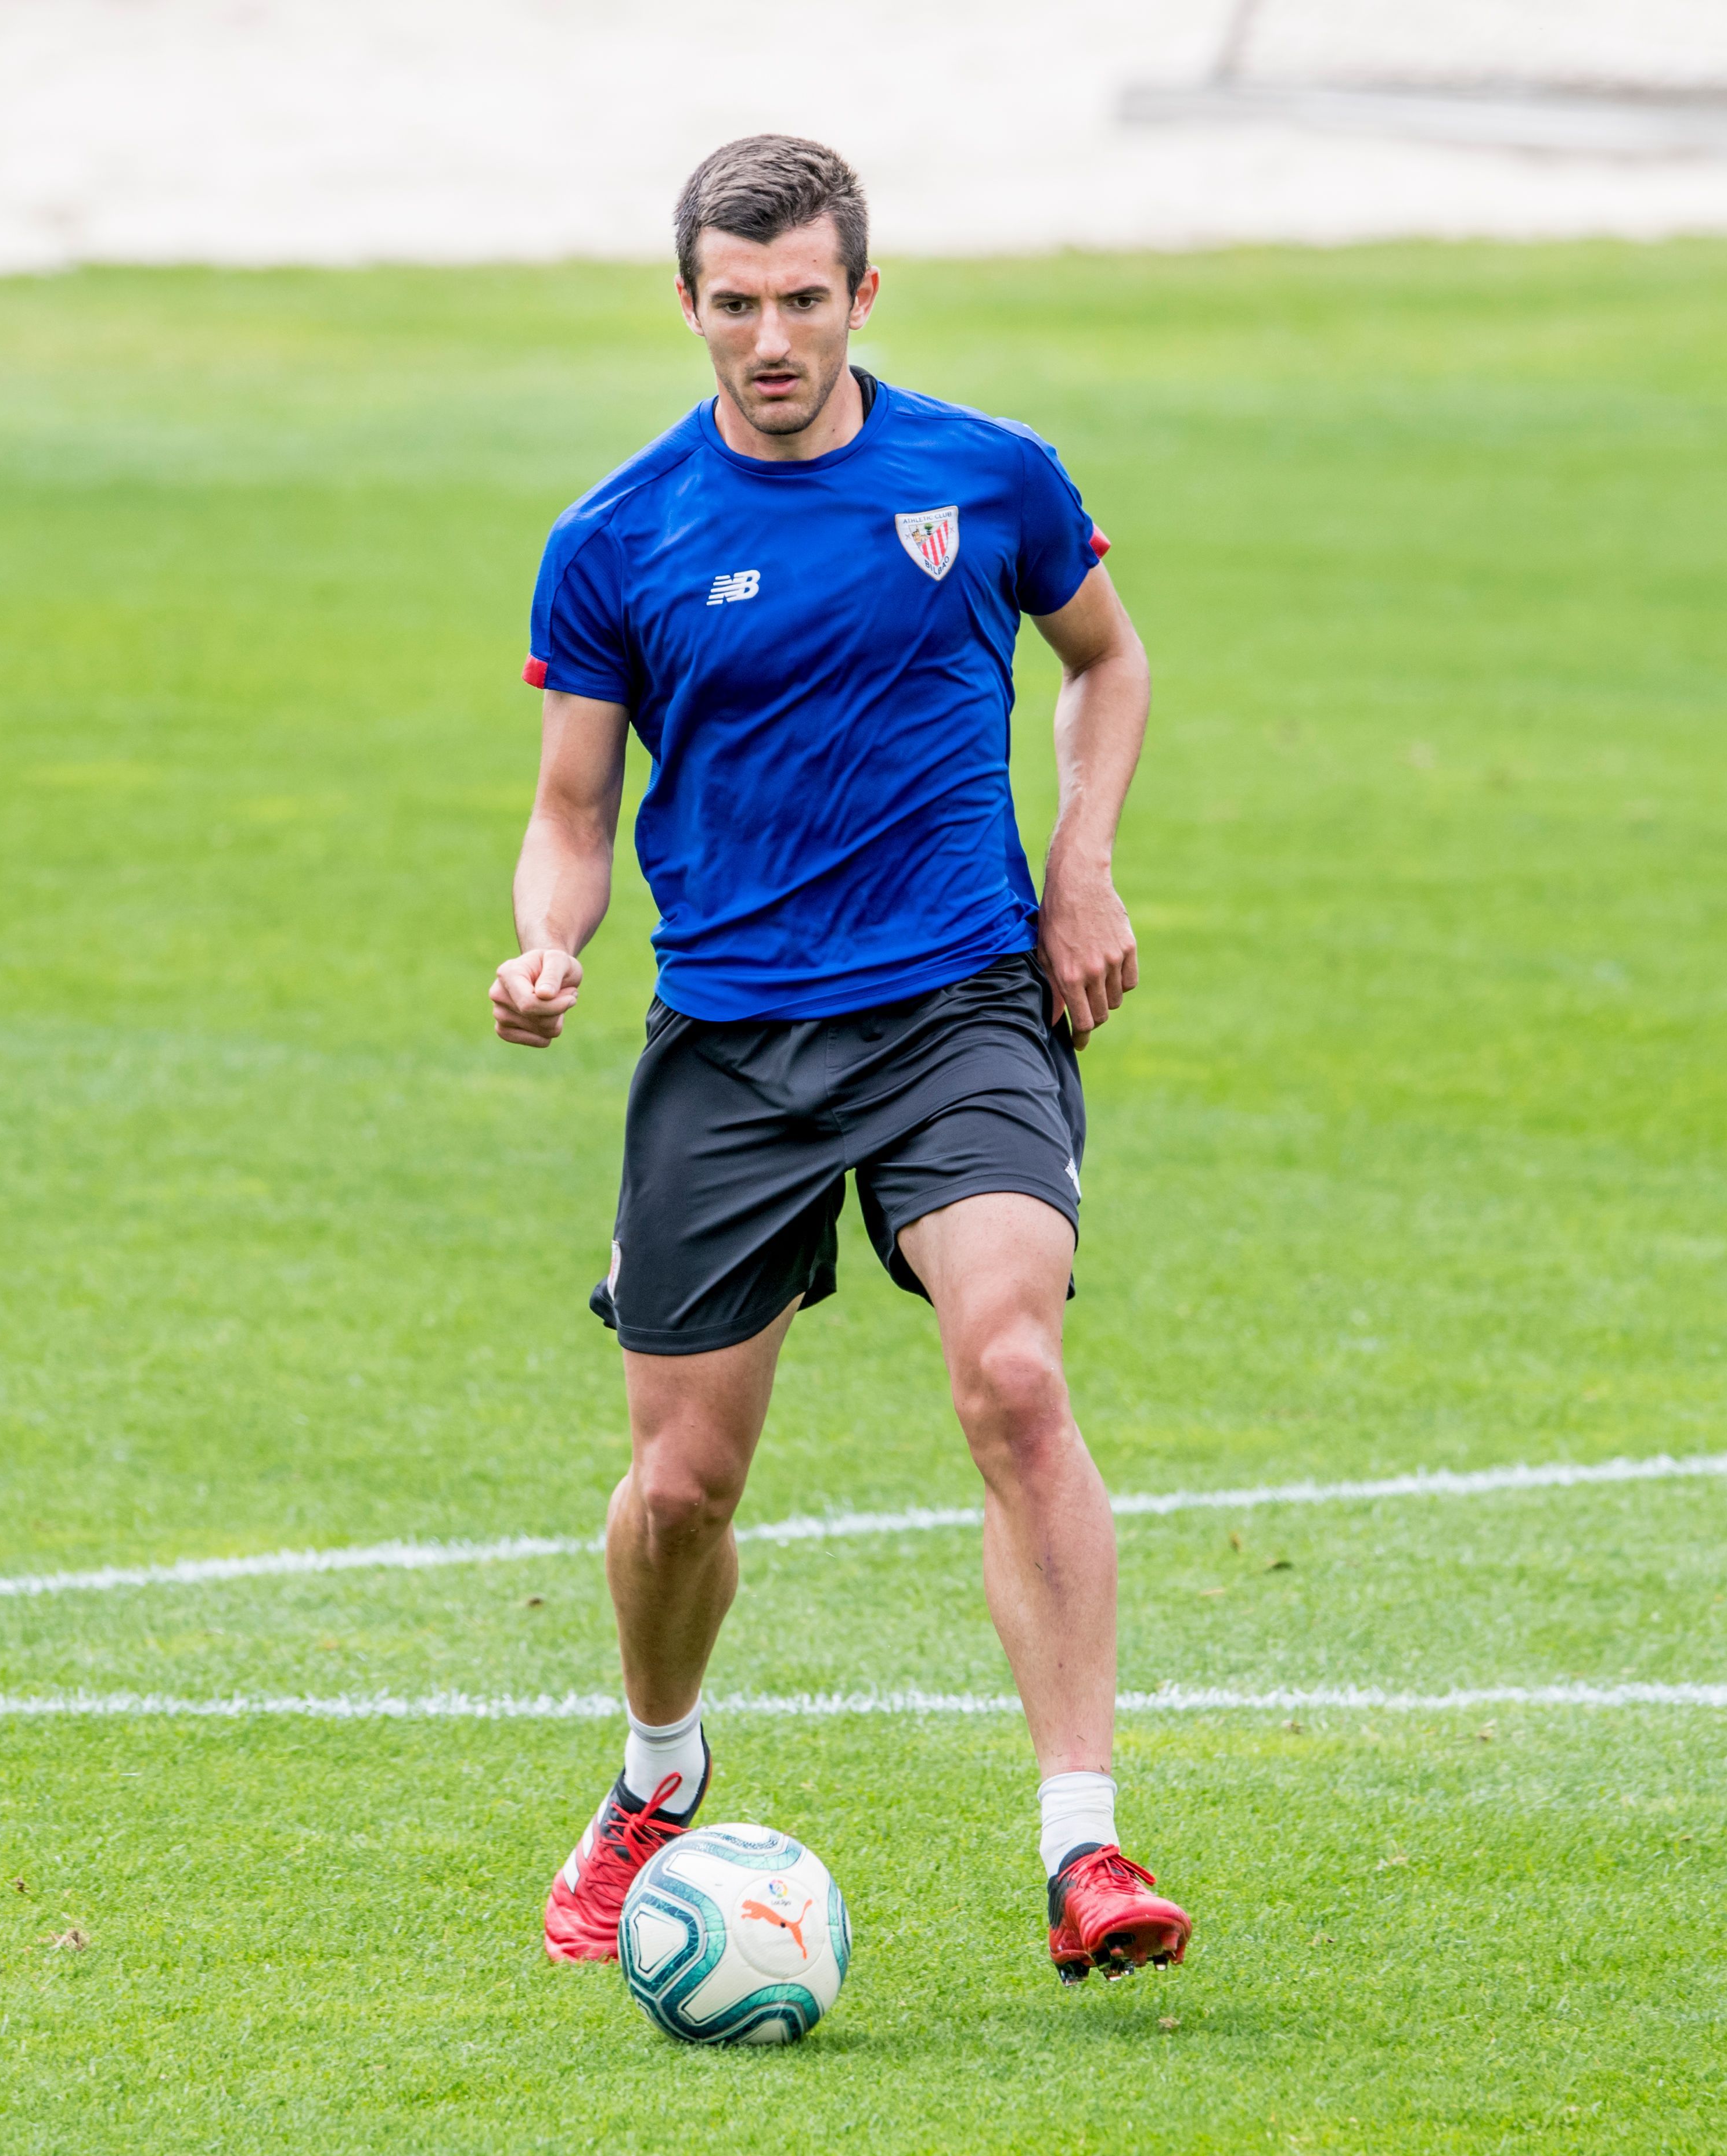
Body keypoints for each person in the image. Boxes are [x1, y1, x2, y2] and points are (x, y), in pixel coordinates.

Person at [490, 134, 1189, 1985]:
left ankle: (1087, 1846)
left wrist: (1082, 866)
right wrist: (552, 936)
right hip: (731, 1040)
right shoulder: (618, 535)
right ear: (690, 305)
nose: (773, 336)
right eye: (738, 304)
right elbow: (573, 805)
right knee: (680, 1495)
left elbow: (1104, 664)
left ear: (864, 295)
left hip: (962, 1004)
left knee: (1016, 1372)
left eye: (806, 299)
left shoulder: (987, 475)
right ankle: (659, 1772)